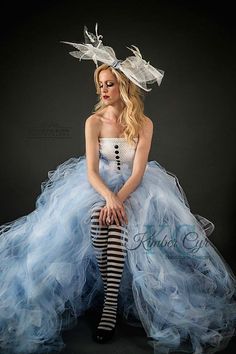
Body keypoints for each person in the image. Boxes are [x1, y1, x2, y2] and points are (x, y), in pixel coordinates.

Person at [0, 24, 236, 354]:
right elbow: (91, 169)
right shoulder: (93, 121)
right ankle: (109, 294)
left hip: (136, 189)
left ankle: (109, 306)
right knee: (100, 216)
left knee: (117, 221)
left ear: (123, 85)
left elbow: (138, 171)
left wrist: (120, 198)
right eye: (100, 85)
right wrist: (109, 197)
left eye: (110, 84)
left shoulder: (143, 123)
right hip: (96, 187)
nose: (104, 90)